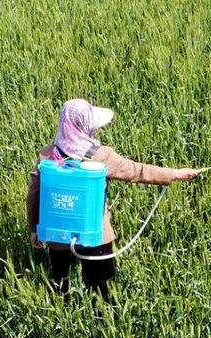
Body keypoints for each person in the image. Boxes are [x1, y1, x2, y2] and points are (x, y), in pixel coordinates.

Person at [26, 98, 198, 302]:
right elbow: (137, 171)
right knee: (101, 288)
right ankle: (104, 321)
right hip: (95, 236)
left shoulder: (47, 156)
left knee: (59, 284)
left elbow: (33, 196)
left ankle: (63, 315)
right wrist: (175, 174)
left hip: (58, 237)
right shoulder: (101, 156)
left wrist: (34, 230)